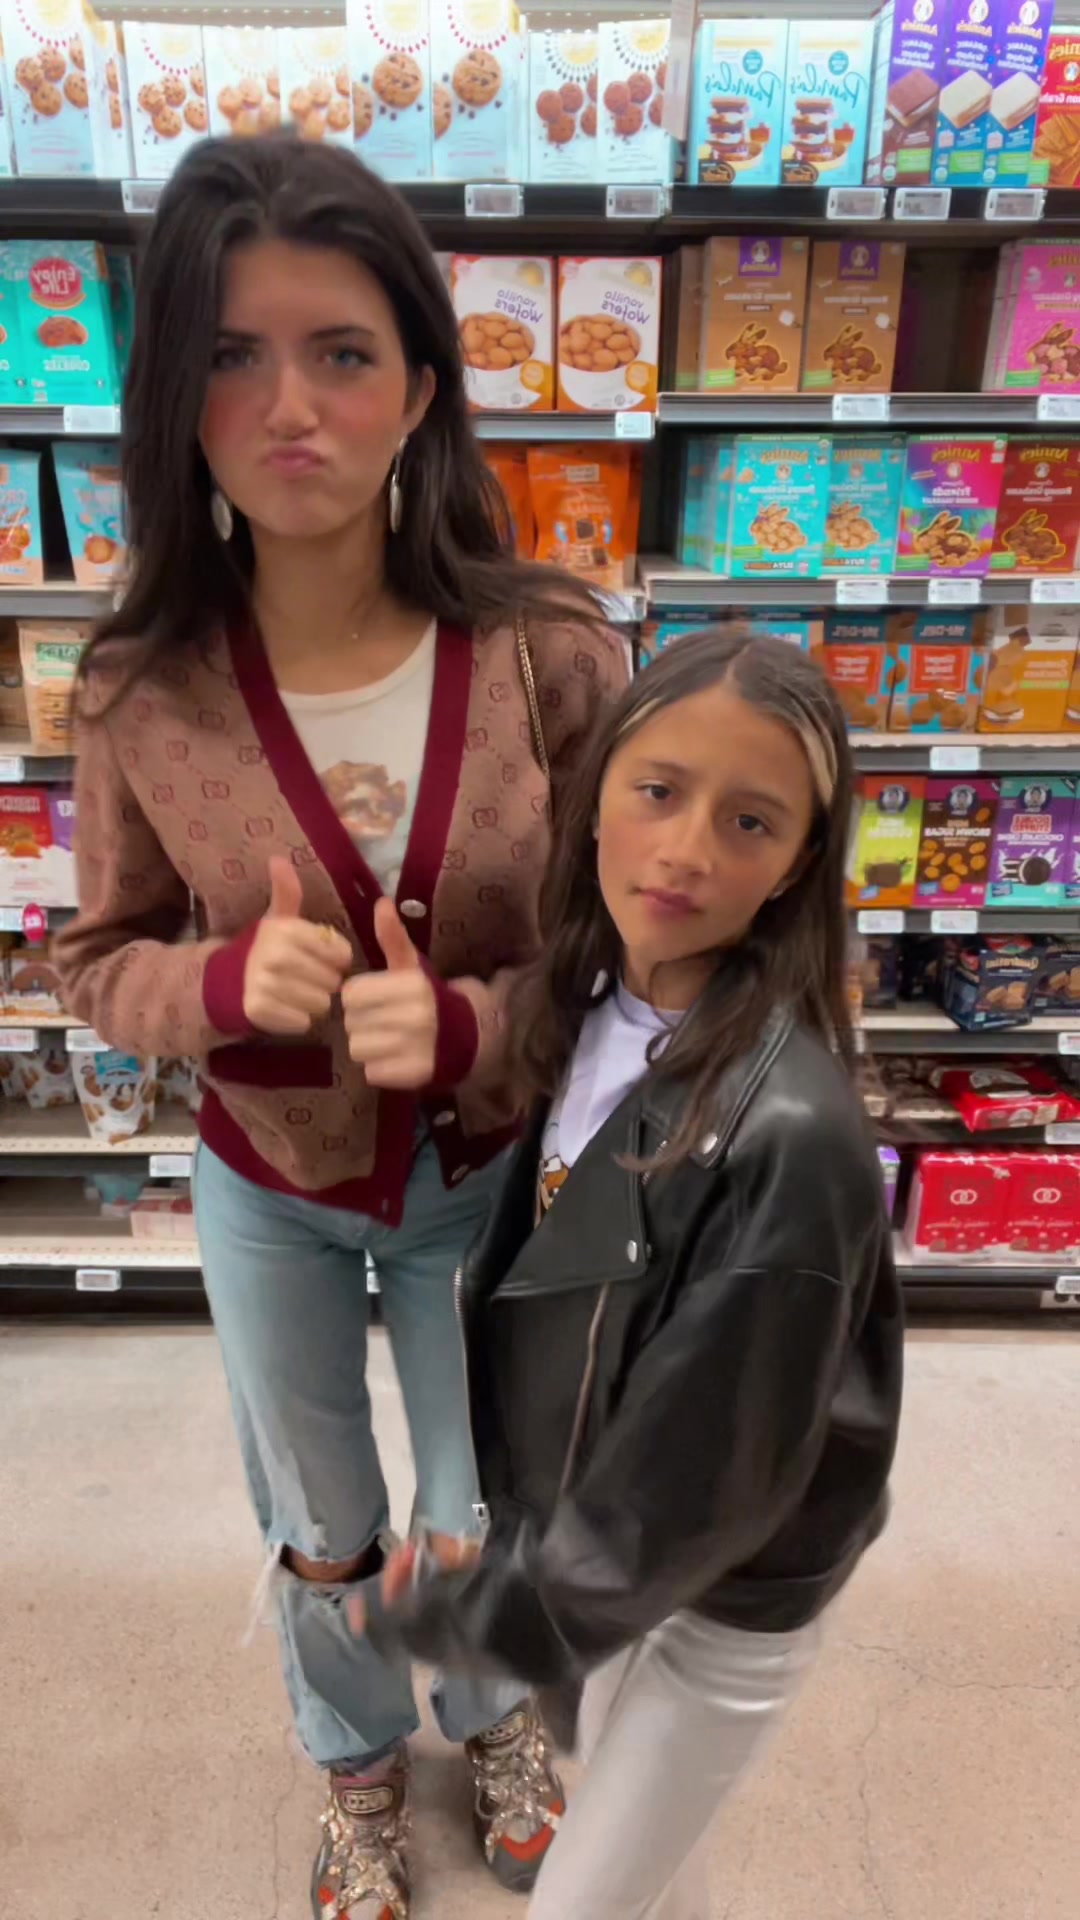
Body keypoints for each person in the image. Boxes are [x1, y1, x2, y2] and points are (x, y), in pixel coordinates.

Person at [54, 134, 626, 1917]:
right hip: (267, 1189)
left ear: (421, 391)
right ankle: (357, 1765)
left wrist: (473, 1029)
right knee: (324, 1518)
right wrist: (219, 993)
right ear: (173, 396)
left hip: (493, 1185)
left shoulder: (552, 652)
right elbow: (95, 960)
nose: (288, 405)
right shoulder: (138, 687)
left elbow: (628, 963)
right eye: (231, 354)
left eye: (342, 352)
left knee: (481, 1508)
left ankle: (495, 1713)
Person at [350, 627, 906, 1920]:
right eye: (659, 789)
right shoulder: (594, 1005)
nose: (688, 847)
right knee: (655, 1861)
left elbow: (700, 1481)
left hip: (719, 1601)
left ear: (797, 865)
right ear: (595, 790)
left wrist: (477, 1612)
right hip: (613, 1558)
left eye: (751, 820)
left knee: (585, 1899)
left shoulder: (789, 1138)